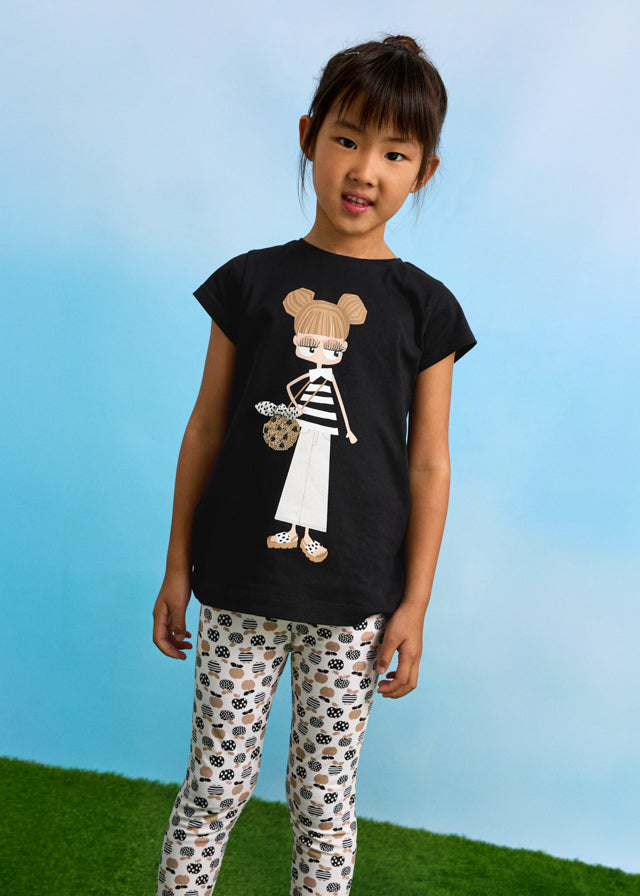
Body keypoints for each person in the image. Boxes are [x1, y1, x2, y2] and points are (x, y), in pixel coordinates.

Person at [153, 34, 476, 896]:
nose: (365, 170)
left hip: (355, 605)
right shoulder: (248, 283)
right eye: (347, 139)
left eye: (394, 153)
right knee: (213, 790)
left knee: (324, 802)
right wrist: (178, 566)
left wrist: (414, 604)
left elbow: (429, 466)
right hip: (237, 589)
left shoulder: (427, 310)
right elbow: (206, 429)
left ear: (424, 172)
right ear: (309, 136)